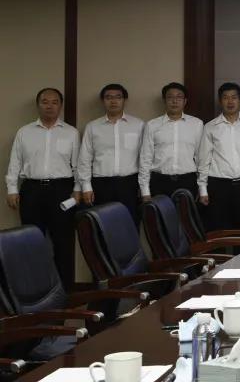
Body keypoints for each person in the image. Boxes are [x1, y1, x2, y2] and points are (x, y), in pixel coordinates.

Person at [5, 88, 81, 286]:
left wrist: (77, 190)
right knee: (30, 240)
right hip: (31, 191)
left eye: (54, 102)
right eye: (45, 102)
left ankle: (64, 289)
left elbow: (78, 165)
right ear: (38, 105)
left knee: (63, 241)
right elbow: (15, 162)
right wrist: (12, 189)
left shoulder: (71, 133)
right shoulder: (24, 132)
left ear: (60, 106)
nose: (49, 106)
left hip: (62, 191)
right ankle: (34, 288)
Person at [78, 83, 144, 228]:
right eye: (108, 97)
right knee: (102, 227)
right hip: (101, 185)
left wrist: (143, 187)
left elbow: (144, 158)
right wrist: (86, 186)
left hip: (130, 184)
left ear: (124, 100)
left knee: (130, 226)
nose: (113, 101)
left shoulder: (138, 125)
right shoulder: (92, 127)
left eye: (118, 97)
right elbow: (84, 159)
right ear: (103, 101)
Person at [197, 82, 240, 231]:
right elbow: (204, 160)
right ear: (220, 100)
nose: (230, 101)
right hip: (218, 186)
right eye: (225, 97)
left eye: (234, 97)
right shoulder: (210, 127)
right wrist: (203, 189)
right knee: (218, 230)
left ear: (239, 100)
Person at [139, 83, 203, 202]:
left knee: (186, 214)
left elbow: (201, 158)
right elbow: (145, 159)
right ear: (164, 100)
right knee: (160, 214)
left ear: (185, 101)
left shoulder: (197, 124)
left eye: (179, 97)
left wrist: (202, 188)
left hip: (188, 181)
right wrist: (145, 191)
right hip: (159, 181)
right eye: (170, 97)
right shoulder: (152, 125)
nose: (174, 101)